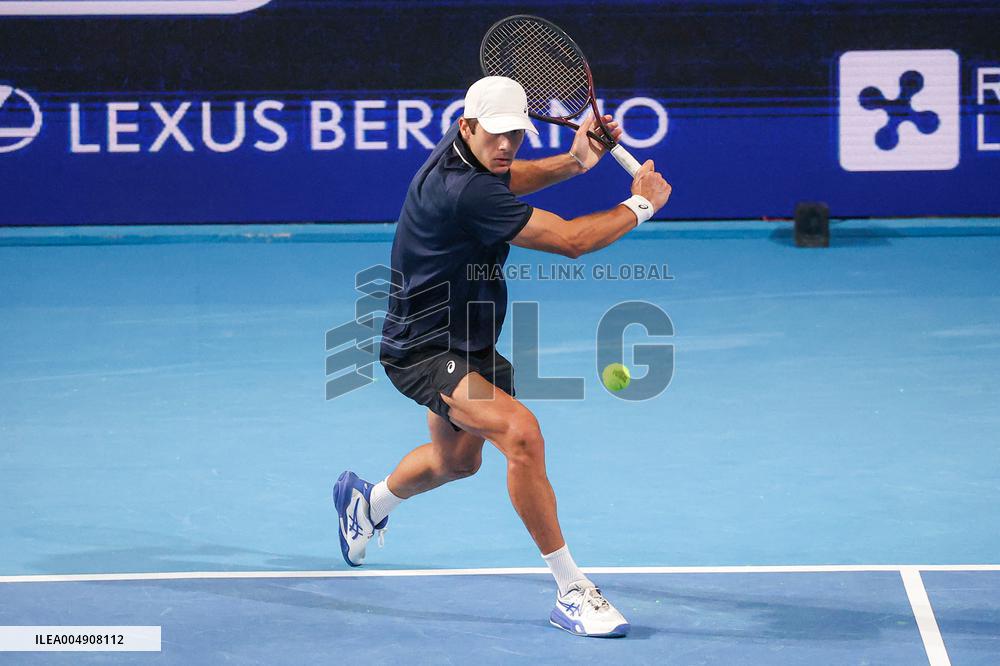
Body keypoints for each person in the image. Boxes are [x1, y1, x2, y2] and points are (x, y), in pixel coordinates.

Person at [334, 76, 671, 638]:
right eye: (496, 135)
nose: (507, 145)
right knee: (522, 434)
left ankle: (367, 504)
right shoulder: (464, 191)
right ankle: (571, 590)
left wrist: (575, 160)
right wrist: (641, 203)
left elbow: (509, 176)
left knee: (457, 463)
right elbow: (570, 240)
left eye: (516, 134)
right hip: (424, 348)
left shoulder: (467, 153)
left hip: (471, 341)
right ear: (467, 126)